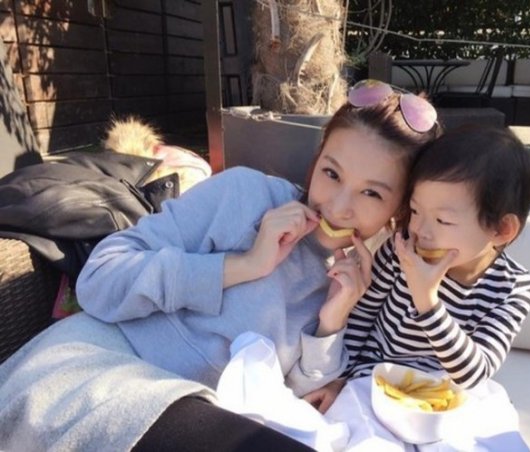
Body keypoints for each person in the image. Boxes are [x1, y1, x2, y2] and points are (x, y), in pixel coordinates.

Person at [0, 79, 440, 452]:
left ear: (399, 210)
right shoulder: (246, 195)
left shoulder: (363, 276)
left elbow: (292, 403)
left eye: (372, 194)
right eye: (332, 173)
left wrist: (331, 322)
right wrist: (243, 264)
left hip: (196, 412)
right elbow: (99, 278)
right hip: (93, 372)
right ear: (316, 159)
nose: (340, 206)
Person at [305, 124, 530, 414]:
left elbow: (474, 373)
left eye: (443, 221)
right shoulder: (401, 249)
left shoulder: (514, 289)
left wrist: (427, 303)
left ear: (502, 230)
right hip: (370, 383)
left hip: (442, 401)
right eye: (415, 211)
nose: (420, 230)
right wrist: (338, 380)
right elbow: (362, 319)